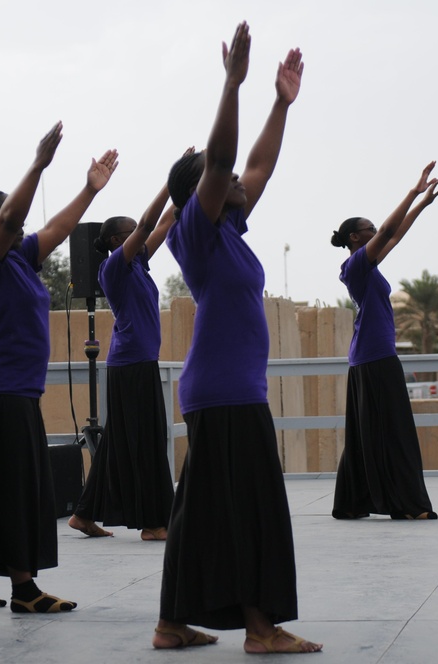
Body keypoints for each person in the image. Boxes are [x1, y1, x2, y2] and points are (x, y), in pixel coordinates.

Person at [153, 22, 322, 655]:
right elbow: (224, 160)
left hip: (222, 391)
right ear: (204, 193)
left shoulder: (228, 231)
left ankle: (171, 624)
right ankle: (260, 629)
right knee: (254, 509)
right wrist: (232, 85)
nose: (243, 183)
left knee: (200, 515)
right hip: (226, 394)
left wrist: (280, 103)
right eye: (223, 182)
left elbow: (255, 164)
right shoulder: (194, 235)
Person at [0, 121, 118, 613]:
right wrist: (37, 165)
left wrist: (88, 190)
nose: (16, 227)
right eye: (4, 223)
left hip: (3, 392)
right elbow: (12, 217)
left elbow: (54, 228)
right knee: (16, 487)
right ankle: (24, 591)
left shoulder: (19, 258)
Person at [67, 150, 194, 542]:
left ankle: (84, 515)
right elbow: (149, 222)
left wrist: (184, 184)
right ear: (119, 241)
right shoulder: (113, 269)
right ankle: (155, 523)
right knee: (146, 440)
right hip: (130, 365)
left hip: (137, 363)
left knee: (120, 440)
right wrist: (167, 187)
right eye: (133, 234)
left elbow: (166, 219)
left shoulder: (138, 263)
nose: (142, 237)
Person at [330, 161, 438, 522]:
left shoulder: (369, 264)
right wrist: (412, 192)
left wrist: (421, 205)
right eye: (370, 229)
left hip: (373, 357)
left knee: (371, 433)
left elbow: (394, 235)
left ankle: (352, 502)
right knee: (394, 433)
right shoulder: (355, 267)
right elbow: (390, 230)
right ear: (355, 238)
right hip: (373, 358)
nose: (376, 231)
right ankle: (408, 505)